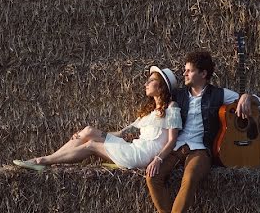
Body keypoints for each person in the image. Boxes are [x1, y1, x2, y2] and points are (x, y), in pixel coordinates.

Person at [148, 51, 260, 213]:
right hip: (177, 147)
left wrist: (246, 97)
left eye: (189, 70)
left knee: (190, 178)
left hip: (201, 149)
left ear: (203, 73)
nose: (184, 73)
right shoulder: (179, 95)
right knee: (152, 176)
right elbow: (157, 98)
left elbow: (259, 104)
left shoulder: (219, 94)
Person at [13, 67, 182, 171]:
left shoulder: (171, 108)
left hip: (142, 155)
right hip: (132, 147)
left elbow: (172, 141)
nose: (145, 84)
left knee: (91, 145)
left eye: (151, 81)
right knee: (87, 131)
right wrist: (89, 134)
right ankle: (45, 159)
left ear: (161, 86)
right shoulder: (148, 113)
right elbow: (122, 133)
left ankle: (41, 161)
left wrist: (158, 160)